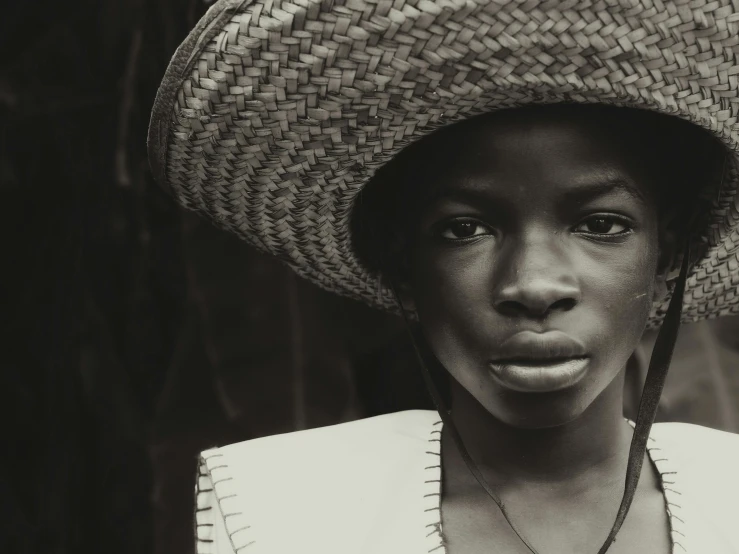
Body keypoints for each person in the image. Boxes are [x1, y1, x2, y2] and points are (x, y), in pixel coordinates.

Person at [148, 1, 739, 552]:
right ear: (402, 267)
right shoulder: (281, 516)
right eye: (464, 230)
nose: (533, 285)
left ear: (669, 258)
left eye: (601, 224)